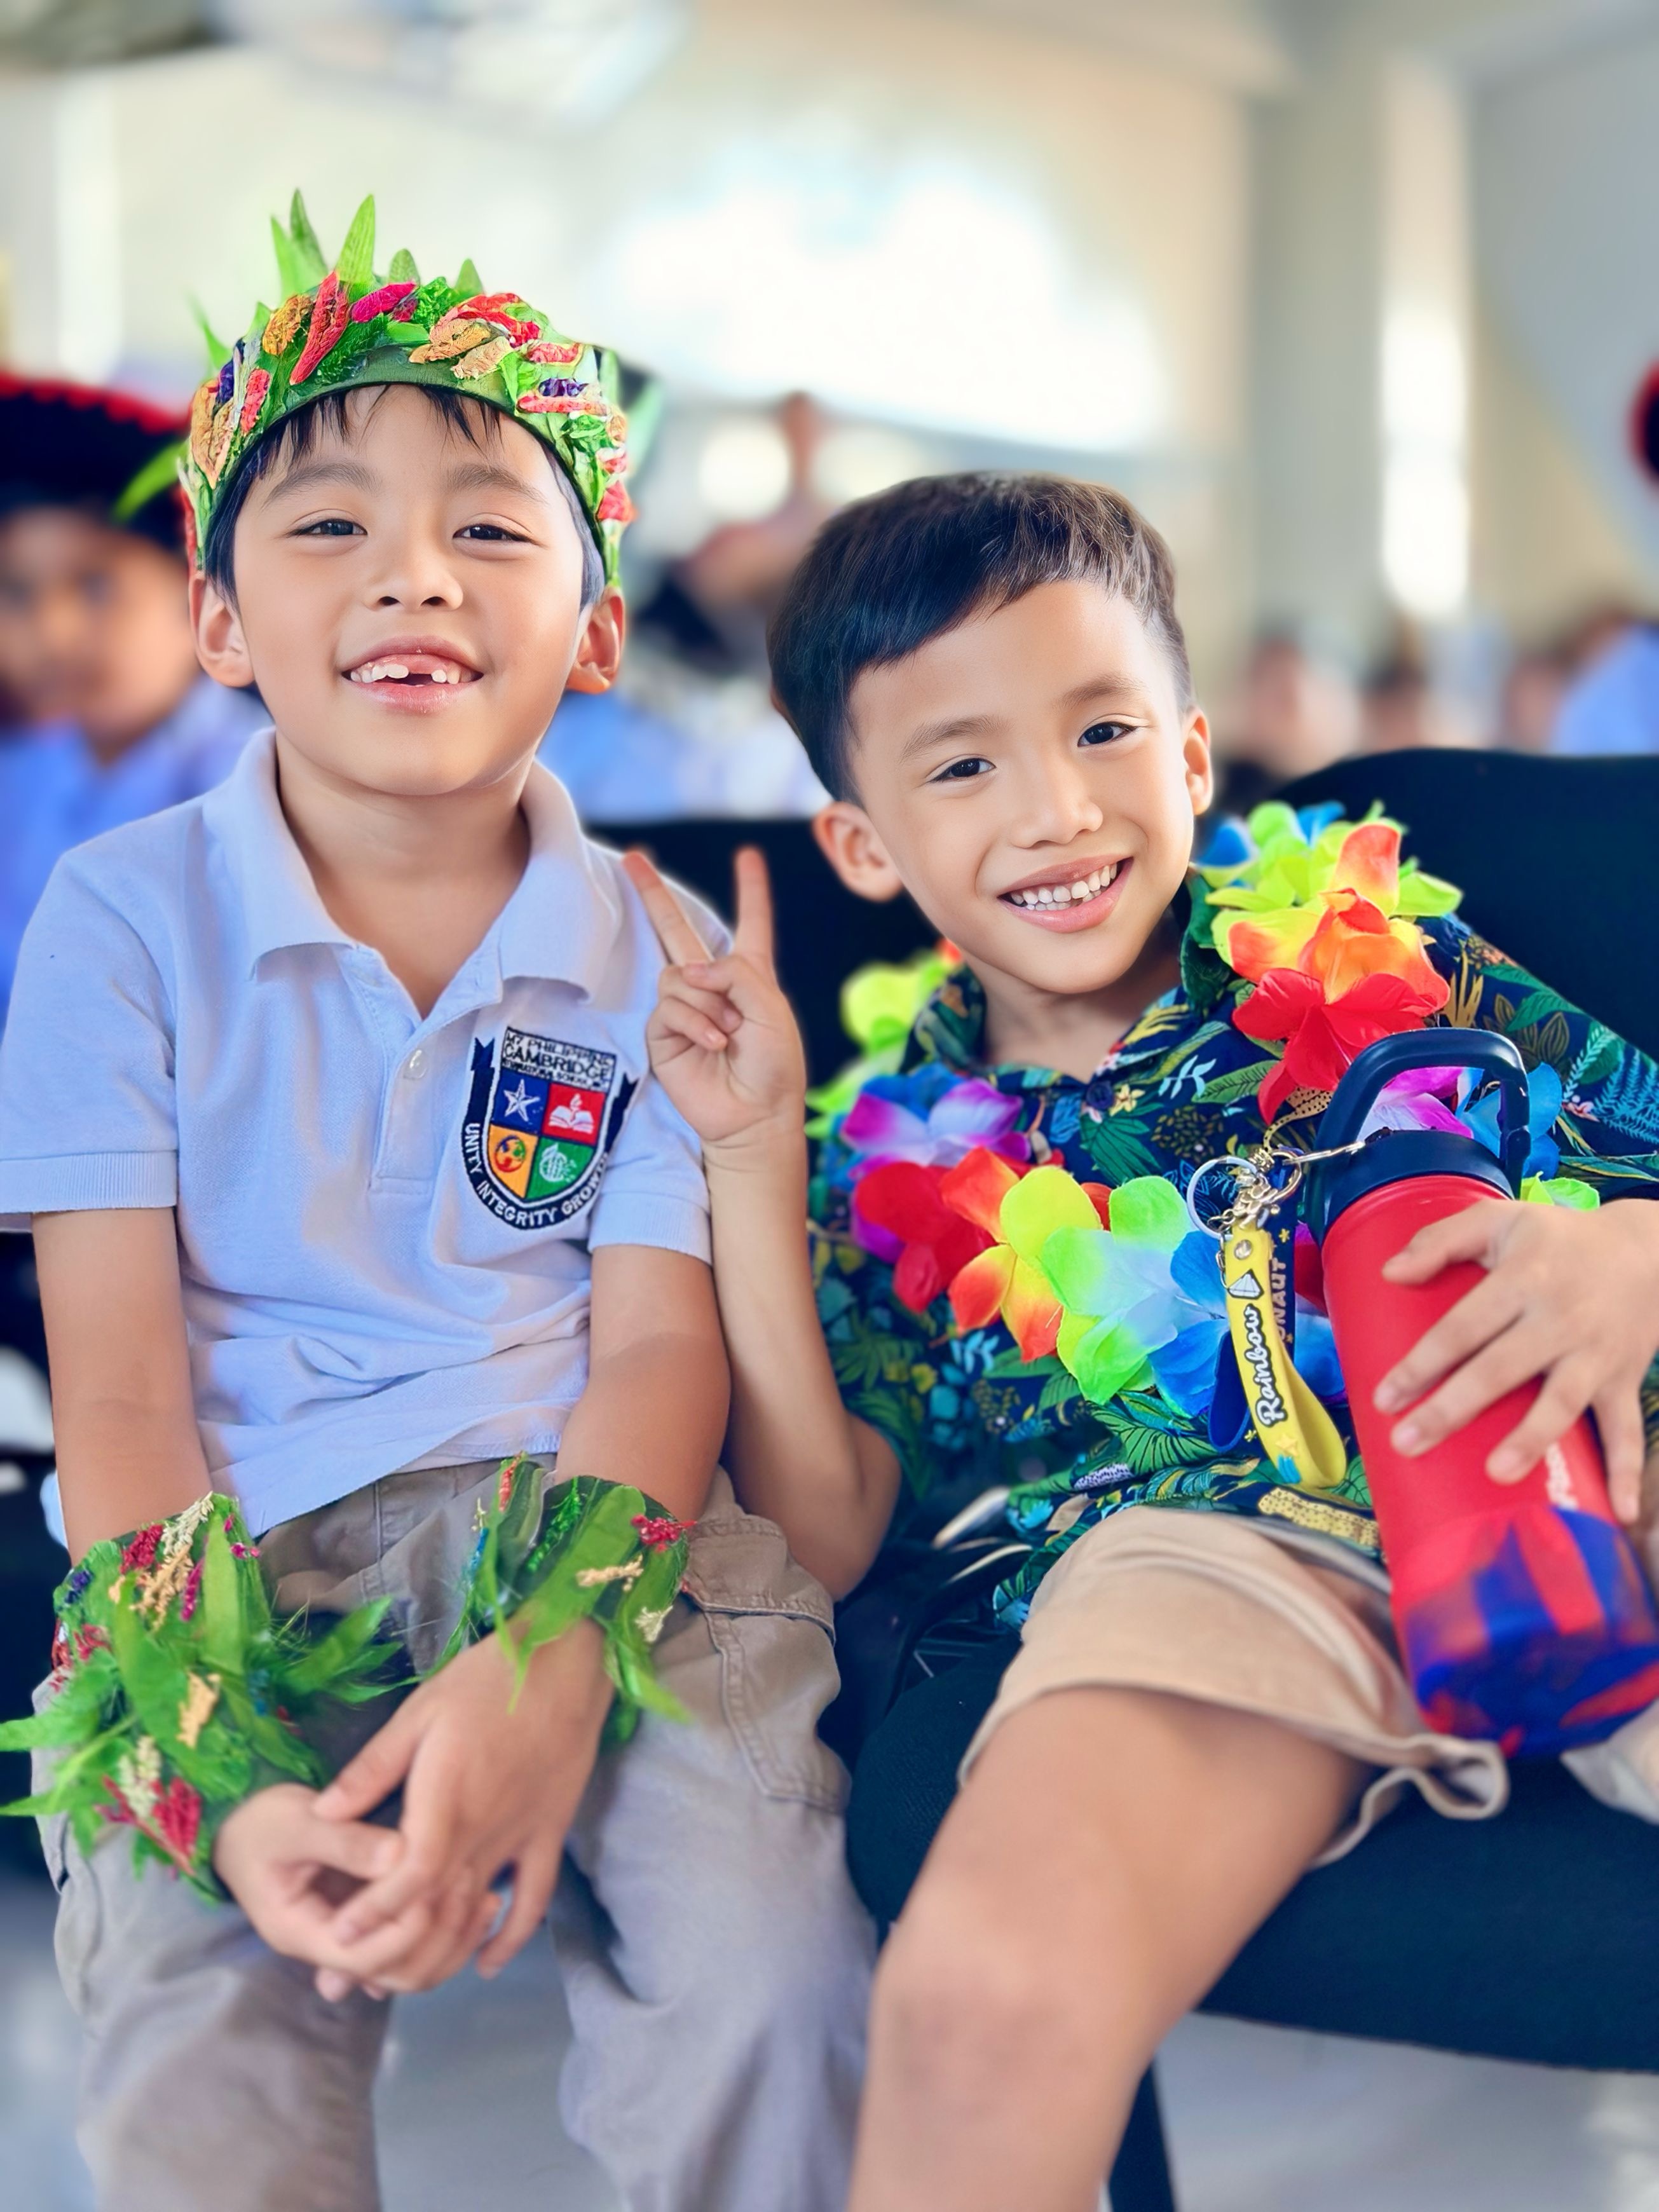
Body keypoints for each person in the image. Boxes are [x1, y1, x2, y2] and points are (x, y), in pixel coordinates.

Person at [624, 472, 1659, 2211]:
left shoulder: (1381, 938)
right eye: (961, 764)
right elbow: (826, 1530)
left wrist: (1632, 1258)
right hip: (1204, 1557)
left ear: (1189, 758)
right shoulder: (886, 1157)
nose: (1054, 809)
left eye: (1099, 729)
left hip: (1569, 1422)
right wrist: (747, 1160)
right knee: (975, 2004)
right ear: (865, 845)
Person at [0, 194, 870, 2212]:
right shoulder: (118, 921)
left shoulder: (652, 946)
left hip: (607, 1523)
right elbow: (120, 1400)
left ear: (591, 627)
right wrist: (215, 1774)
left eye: (490, 523)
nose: (413, 571)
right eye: (326, 526)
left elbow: (658, 1343)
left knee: (765, 1975)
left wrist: (557, 1656)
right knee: (196, 2047)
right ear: (222, 622)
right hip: (219, 1550)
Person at [0, 374, 265, 1031]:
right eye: (17, 592)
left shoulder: (264, 782)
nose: (52, 633)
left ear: (203, 601)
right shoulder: (19, 779)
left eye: (94, 586)